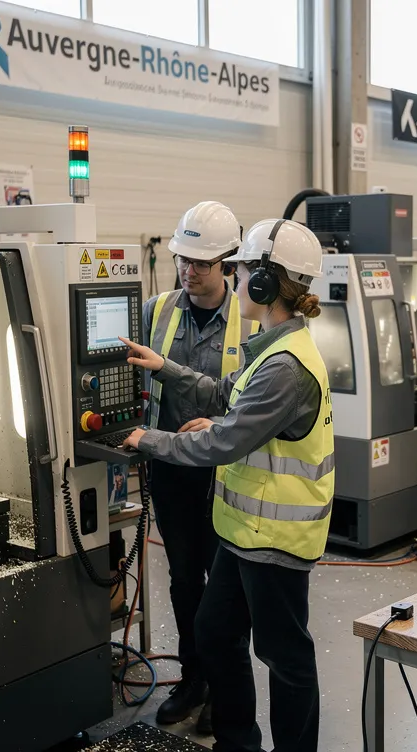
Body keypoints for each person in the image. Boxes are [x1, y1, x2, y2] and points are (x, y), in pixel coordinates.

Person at [122, 219, 332, 752]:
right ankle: (237, 741)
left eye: (239, 270)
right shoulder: (271, 346)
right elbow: (222, 394)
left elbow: (221, 444)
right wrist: (165, 367)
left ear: (263, 283)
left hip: (275, 541)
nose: (235, 279)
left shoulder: (286, 365)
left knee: (286, 660)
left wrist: (148, 440)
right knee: (215, 632)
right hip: (244, 531)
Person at [140, 200, 257, 733]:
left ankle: (223, 693)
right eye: (183, 259)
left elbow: (246, 402)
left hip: (224, 474)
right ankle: (192, 680)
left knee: (224, 589)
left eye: (201, 263)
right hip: (170, 470)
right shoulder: (158, 309)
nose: (189, 271)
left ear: (229, 265)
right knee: (184, 582)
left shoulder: (250, 324)